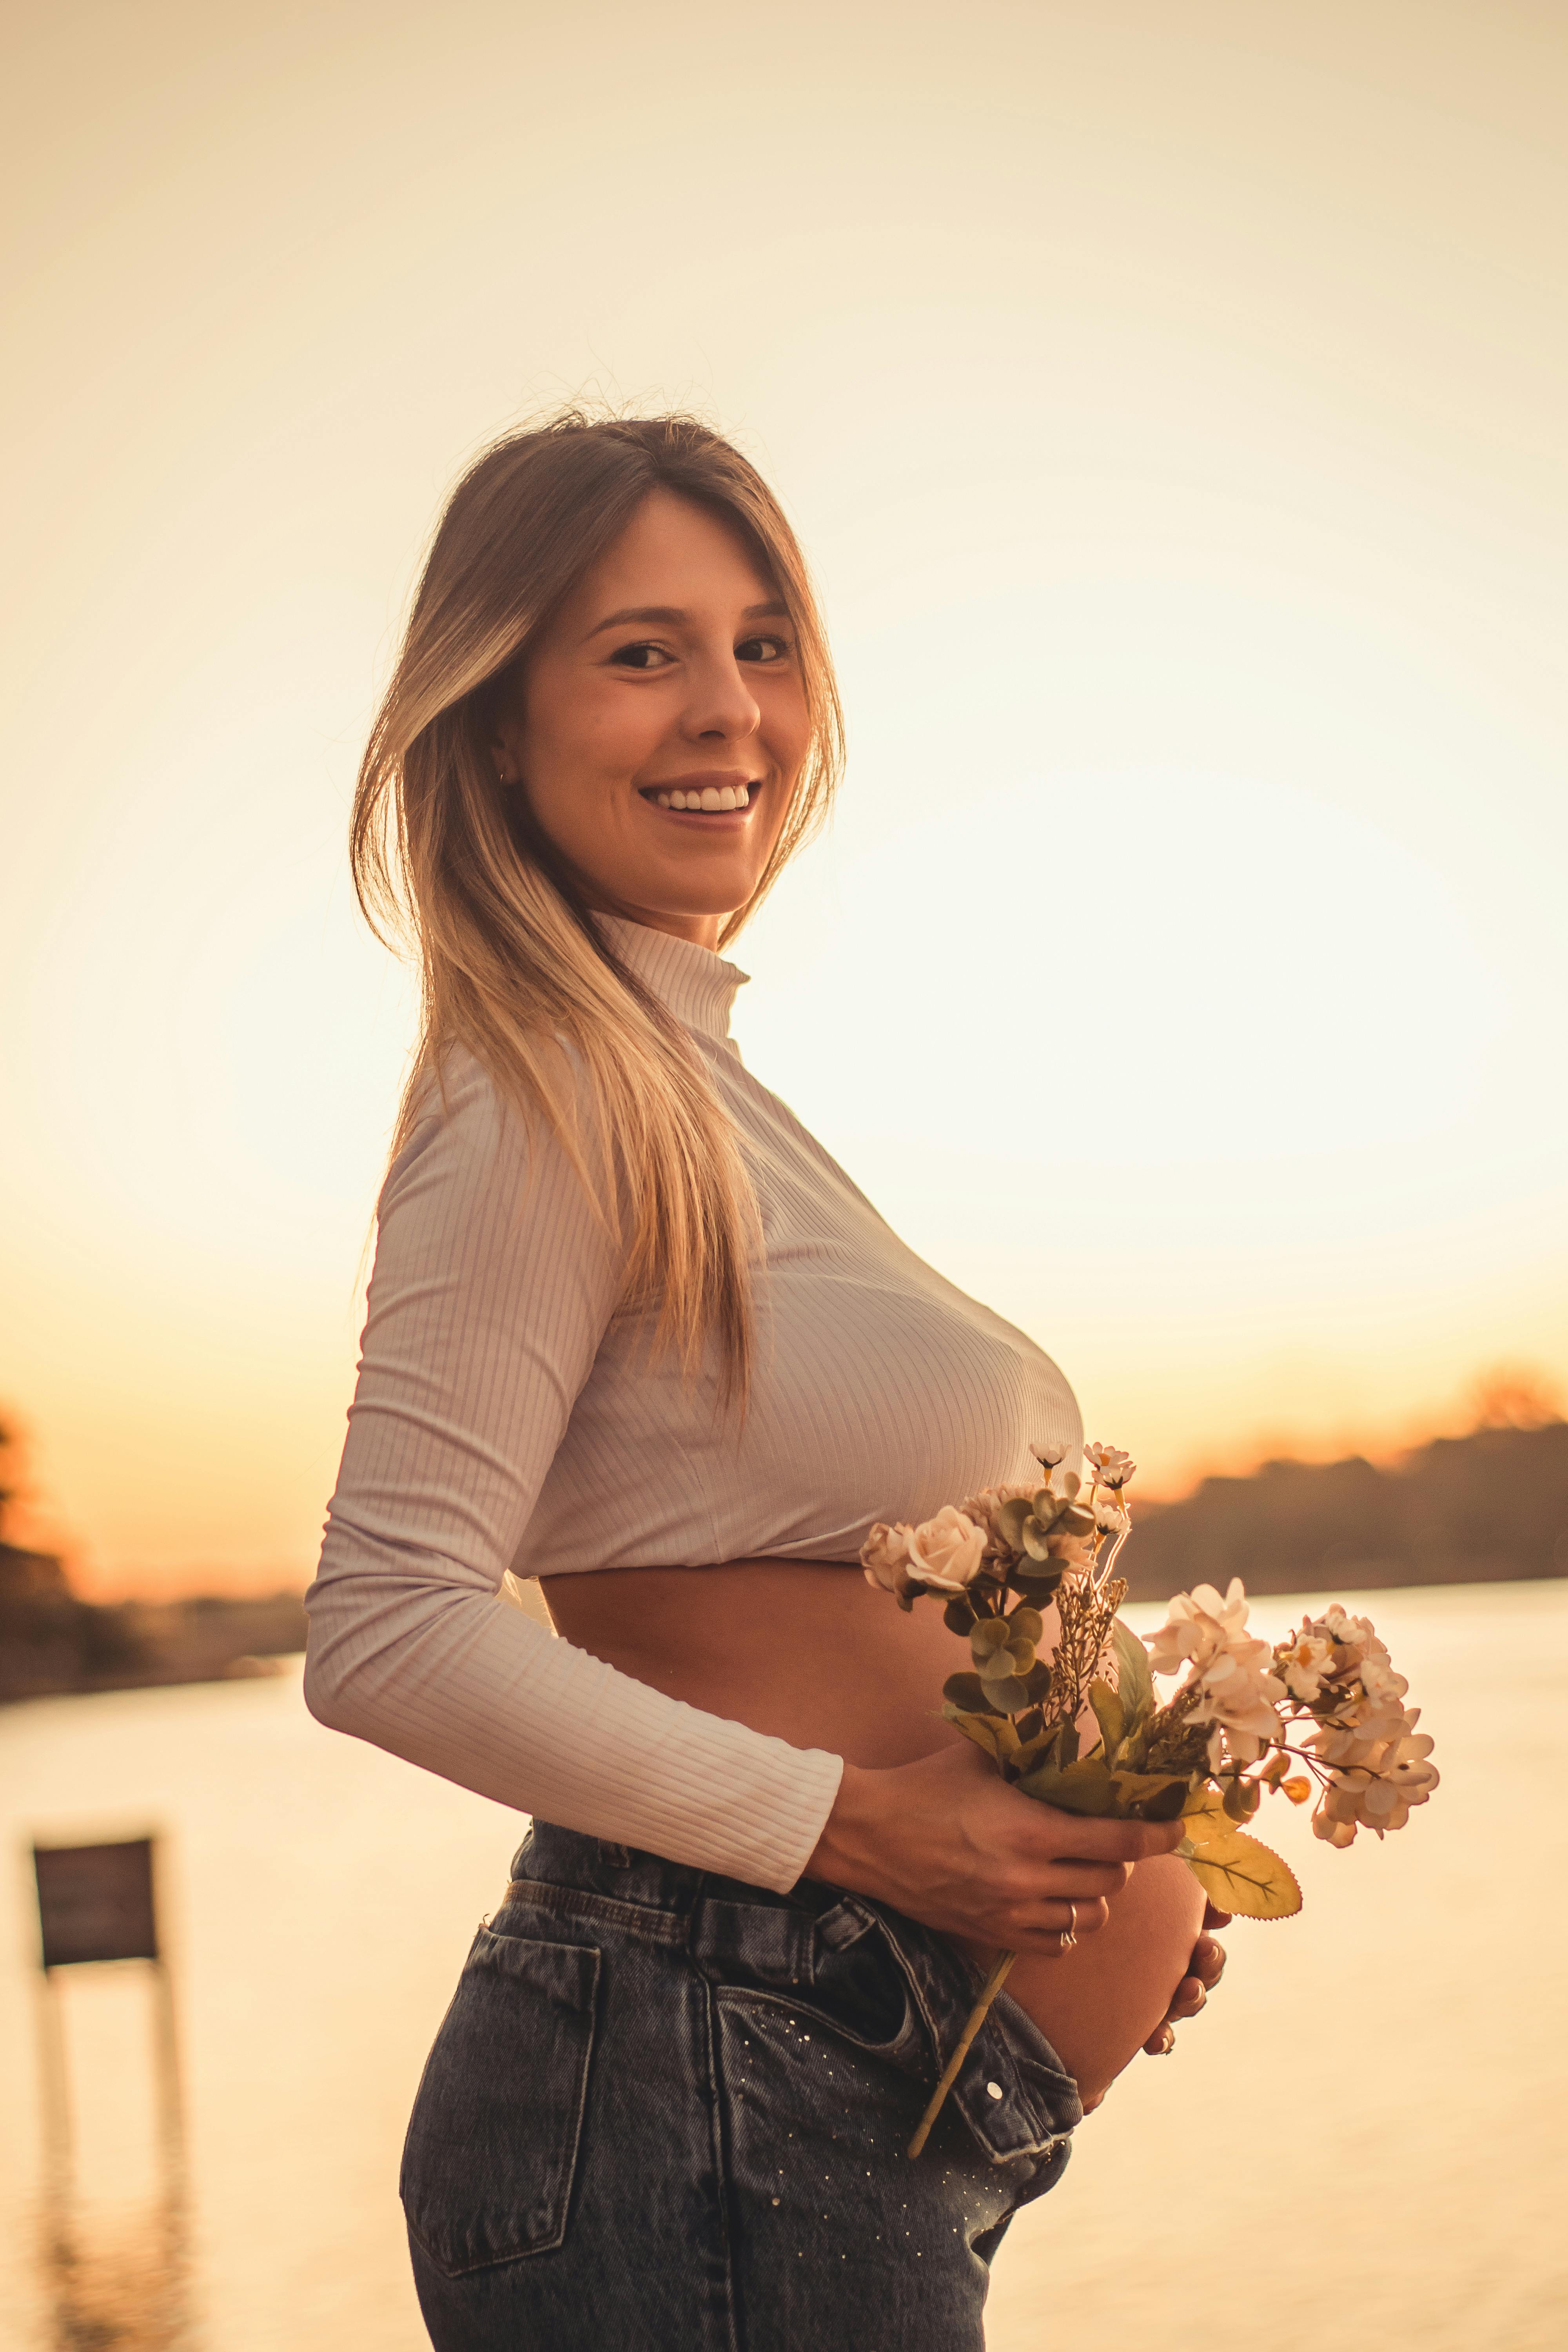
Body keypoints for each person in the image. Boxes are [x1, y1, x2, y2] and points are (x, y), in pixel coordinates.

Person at [304, 411, 1227, 2352]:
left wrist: (1082, 1866)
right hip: (701, 2083)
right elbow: (384, 1627)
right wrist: (869, 1834)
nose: (728, 709)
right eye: (641, 653)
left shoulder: (690, 1086)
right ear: (493, 720)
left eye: (765, 643)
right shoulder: (536, 1091)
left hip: (815, 2088)